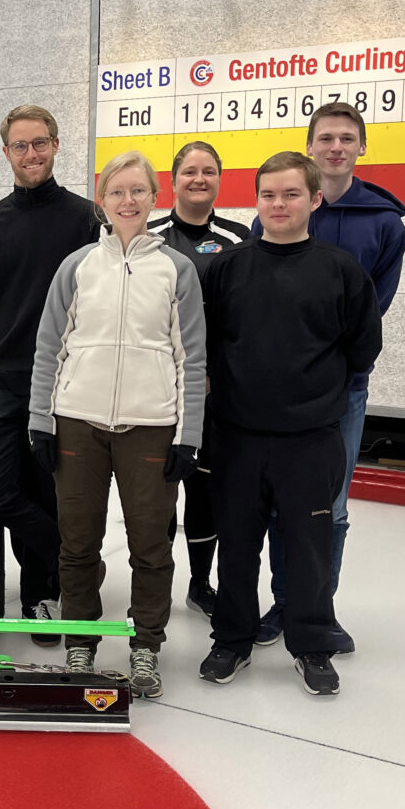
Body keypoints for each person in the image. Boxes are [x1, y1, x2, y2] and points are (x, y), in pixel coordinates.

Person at [199, 153, 381, 696]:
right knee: (236, 546)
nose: (279, 205)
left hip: (310, 439)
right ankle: (231, 639)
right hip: (236, 435)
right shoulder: (228, 268)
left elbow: (362, 348)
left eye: (291, 195)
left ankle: (312, 644)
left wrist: (310, 394)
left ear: (314, 200)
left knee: (307, 547)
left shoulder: (341, 270)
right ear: (255, 201)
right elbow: (207, 344)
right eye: (269, 195)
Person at [29, 150, 206, 698]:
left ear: (155, 198)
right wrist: (42, 420)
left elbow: (192, 359)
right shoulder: (77, 266)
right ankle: (81, 638)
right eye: (116, 191)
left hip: (152, 428)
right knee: (77, 542)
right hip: (78, 422)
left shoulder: (177, 269)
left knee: (151, 544)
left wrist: (189, 435)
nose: (128, 201)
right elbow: (49, 347)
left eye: (138, 191)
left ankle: (145, 646)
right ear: (101, 201)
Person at [255, 103, 405, 653]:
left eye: (347, 138)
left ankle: (319, 607)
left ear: (361, 147)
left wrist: (332, 368)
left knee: (332, 507)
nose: (336, 147)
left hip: (343, 386)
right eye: (325, 138)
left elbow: (374, 308)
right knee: (278, 501)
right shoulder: (277, 213)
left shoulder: (386, 223)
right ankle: (282, 601)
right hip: (280, 392)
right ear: (311, 146)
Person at [0, 104, 99, 641]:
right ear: (6, 152)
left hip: (63, 385)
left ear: (56, 146)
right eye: (20, 145)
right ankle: (77, 555)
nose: (31, 154)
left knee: (46, 491)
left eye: (40, 143)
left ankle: (43, 596)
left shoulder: (85, 219)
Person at [148, 142, 250, 618]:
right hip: (155, 390)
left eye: (209, 171)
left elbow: (243, 317)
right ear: (173, 179)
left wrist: (213, 372)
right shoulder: (147, 234)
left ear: (219, 179)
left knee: (205, 490)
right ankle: (155, 584)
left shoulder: (238, 237)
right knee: (160, 488)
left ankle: (200, 583)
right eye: (190, 171)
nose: (199, 179)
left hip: (215, 392)